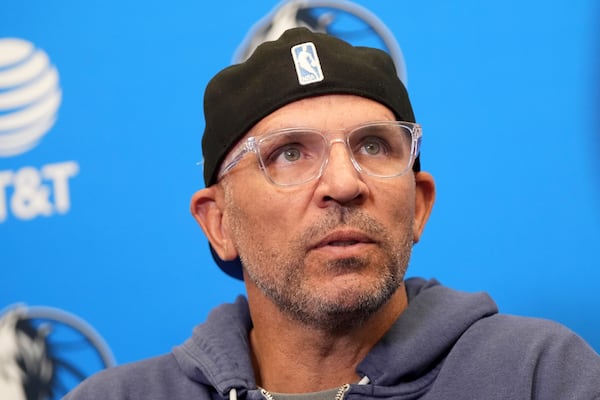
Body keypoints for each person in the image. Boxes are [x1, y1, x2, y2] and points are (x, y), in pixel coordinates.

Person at [63, 27, 600, 400]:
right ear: (219, 222)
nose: (344, 183)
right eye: (289, 153)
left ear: (419, 206)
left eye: (373, 146)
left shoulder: (542, 375)